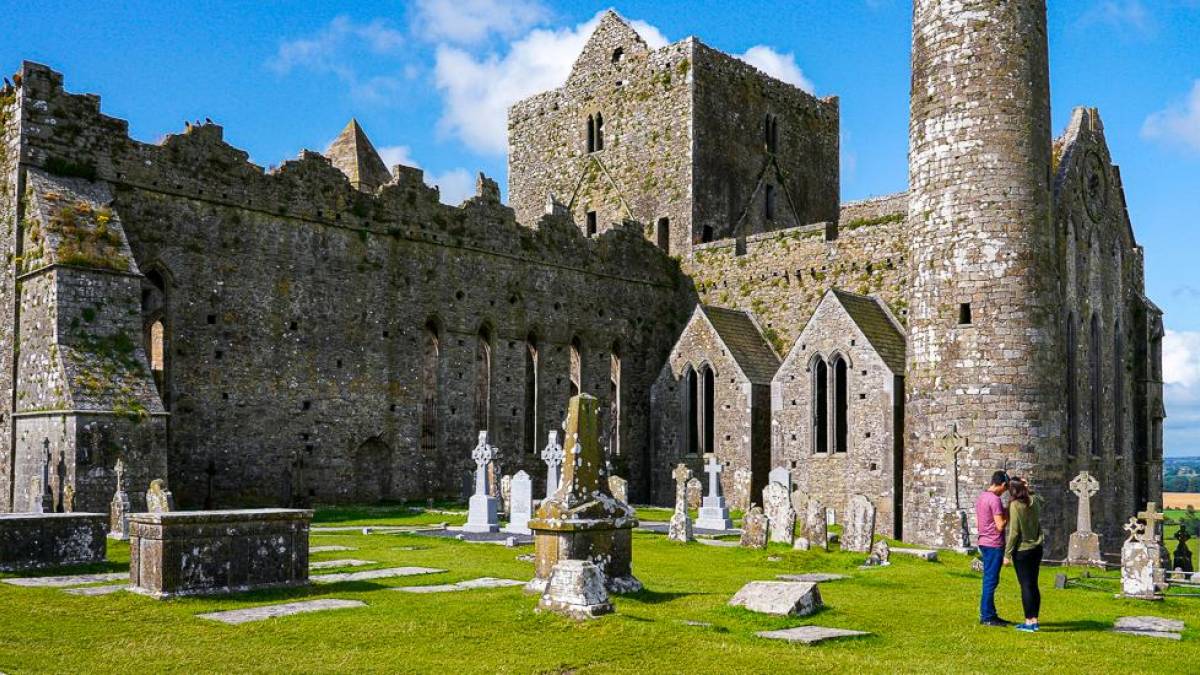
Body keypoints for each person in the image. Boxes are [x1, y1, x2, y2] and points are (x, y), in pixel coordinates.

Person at [1004, 477, 1044, 633]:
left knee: (1025, 585)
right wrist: (1028, 487)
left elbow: (1014, 532)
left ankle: (1029, 622)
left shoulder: (1015, 505)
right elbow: (1041, 498)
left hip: (1022, 550)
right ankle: (1035, 620)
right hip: (1037, 548)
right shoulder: (1034, 500)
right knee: (1033, 584)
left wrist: (1007, 554)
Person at [975, 470, 1010, 626]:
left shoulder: (982, 497)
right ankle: (987, 616)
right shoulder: (995, 500)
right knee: (990, 581)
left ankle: (991, 613)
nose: (1005, 491)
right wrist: (1008, 511)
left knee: (989, 579)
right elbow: (1000, 525)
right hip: (994, 543)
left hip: (983, 541)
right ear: (1002, 484)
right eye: (1005, 488)